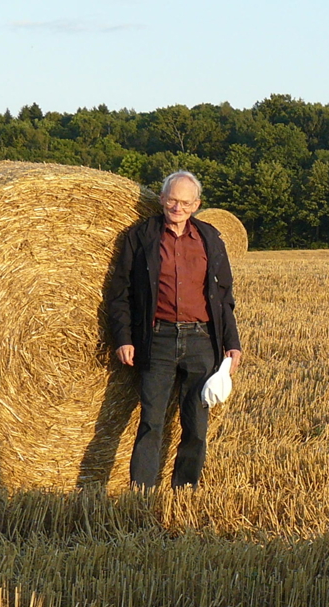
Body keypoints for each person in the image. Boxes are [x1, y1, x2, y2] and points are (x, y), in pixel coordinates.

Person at [106, 171, 241, 488]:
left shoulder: (210, 239)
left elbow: (223, 296)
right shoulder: (140, 237)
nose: (176, 207)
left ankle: (185, 489)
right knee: (151, 422)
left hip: (201, 341)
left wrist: (231, 343)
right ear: (162, 199)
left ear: (196, 204)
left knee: (196, 423)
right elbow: (120, 292)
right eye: (171, 200)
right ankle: (141, 494)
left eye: (184, 202)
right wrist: (123, 338)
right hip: (159, 339)